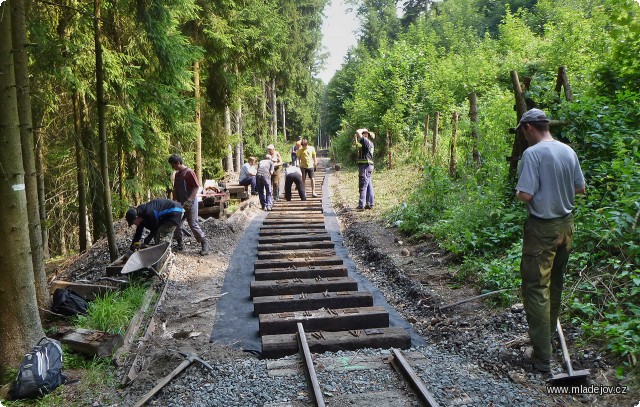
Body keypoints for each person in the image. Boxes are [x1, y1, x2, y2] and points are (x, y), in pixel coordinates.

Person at [514, 108, 586, 373]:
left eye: (523, 131)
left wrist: (527, 190)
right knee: (555, 284)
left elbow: (525, 195)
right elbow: (580, 188)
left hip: (542, 229)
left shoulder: (532, 154)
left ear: (529, 128)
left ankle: (542, 357)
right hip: (566, 226)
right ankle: (549, 343)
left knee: (536, 288)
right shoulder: (568, 151)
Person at [168, 154, 209, 256]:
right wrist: (174, 201)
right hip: (180, 203)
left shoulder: (189, 173)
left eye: (173, 165)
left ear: (178, 163)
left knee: (193, 224)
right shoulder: (177, 174)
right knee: (176, 224)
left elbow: (196, 187)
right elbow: (176, 189)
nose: (173, 168)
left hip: (190, 202)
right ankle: (180, 245)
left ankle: (204, 244)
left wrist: (189, 200)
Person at [354, 128, 375, 210]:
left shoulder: (366, 141)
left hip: (365, 166)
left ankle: (361, 205)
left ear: (367, 135)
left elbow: (357, 132)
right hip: (369, 165)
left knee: (363, 185)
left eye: (364, 133)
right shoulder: (369, 143)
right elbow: (358, 144)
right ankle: (370, 203)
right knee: (369, 185)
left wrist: (363, 129)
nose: (362, 134)